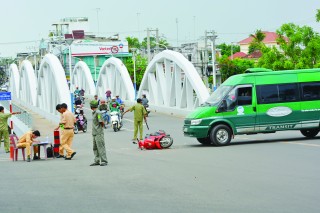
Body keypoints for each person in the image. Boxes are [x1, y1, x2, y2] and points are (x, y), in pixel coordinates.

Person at [89, 100, 108, 166]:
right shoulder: (93, 112)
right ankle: (96, 160)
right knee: (95, 147)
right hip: (94, 133)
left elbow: (101, 122)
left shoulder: (98, 113)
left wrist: (100, 129)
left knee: (100, 147)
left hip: (98, 133)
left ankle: (104, 161)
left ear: (91, 106)